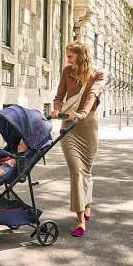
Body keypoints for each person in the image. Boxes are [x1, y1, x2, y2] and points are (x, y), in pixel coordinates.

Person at [51, 41, 107, 237]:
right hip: (69, 125)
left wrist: (83, 113)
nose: (68, 60)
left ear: (81, 56)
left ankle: (87, 205)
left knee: (86, 171)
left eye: (70, 56)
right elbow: (59, 96)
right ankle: (80, 220)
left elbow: (93, 94)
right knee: (76, 171)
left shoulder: (98, 74)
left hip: (87, 125)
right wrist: (56, 109)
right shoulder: (67, 71)